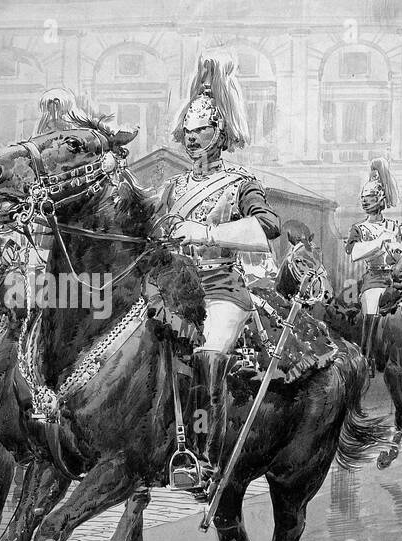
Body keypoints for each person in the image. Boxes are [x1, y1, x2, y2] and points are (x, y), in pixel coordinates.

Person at [159, 50, 281, 494]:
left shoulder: (240, 181)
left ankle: (203, 457)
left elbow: (268, 227)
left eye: (201, 130)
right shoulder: (174, 186)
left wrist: (206, 232)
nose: (191, 138)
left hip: (221, 288)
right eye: (187, 131)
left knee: (208, 356)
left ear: (220, 130)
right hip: (175, 287)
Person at [346, 157, 402, 374]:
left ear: (380, 199)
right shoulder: (359, 229)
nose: (365, 201)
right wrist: (379, 243)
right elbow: (354, 253)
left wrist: (397, 248)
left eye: (370, 197)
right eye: (363, 198)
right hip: (374, 278)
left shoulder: (396, 226)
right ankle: (366, 357)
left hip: (397, 277)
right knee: (372, 308)